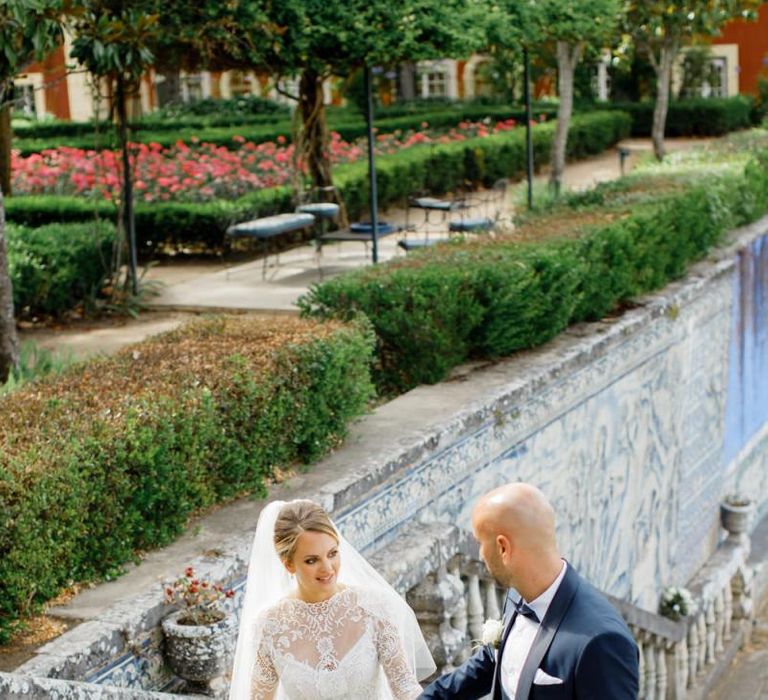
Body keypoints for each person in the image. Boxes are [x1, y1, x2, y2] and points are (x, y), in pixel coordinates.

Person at [420, 483, 639, 700]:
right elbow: (492, 662)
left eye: (480, 543)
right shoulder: (518, 592)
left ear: (503, 548)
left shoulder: (602, 641)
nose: (480, 554)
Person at [229, 499, 435, 700]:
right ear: (288, 565)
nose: (327, 568)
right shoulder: (269, 626)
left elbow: (405, 685)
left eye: (332, 553)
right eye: (312, 560)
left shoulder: (373, 607)